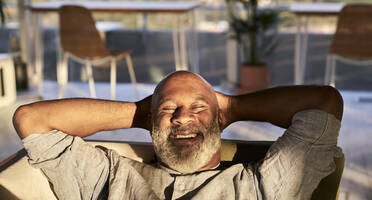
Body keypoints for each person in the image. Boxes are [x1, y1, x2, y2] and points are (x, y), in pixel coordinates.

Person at [13, 71, 343, 199]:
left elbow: (324, 102)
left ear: (219, 120)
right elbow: (32, 118)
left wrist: (230, 107)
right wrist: (139, 113)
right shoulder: (109, 178)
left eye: (199, 108)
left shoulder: (260, 188)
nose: (183, 117)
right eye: (169, 108)